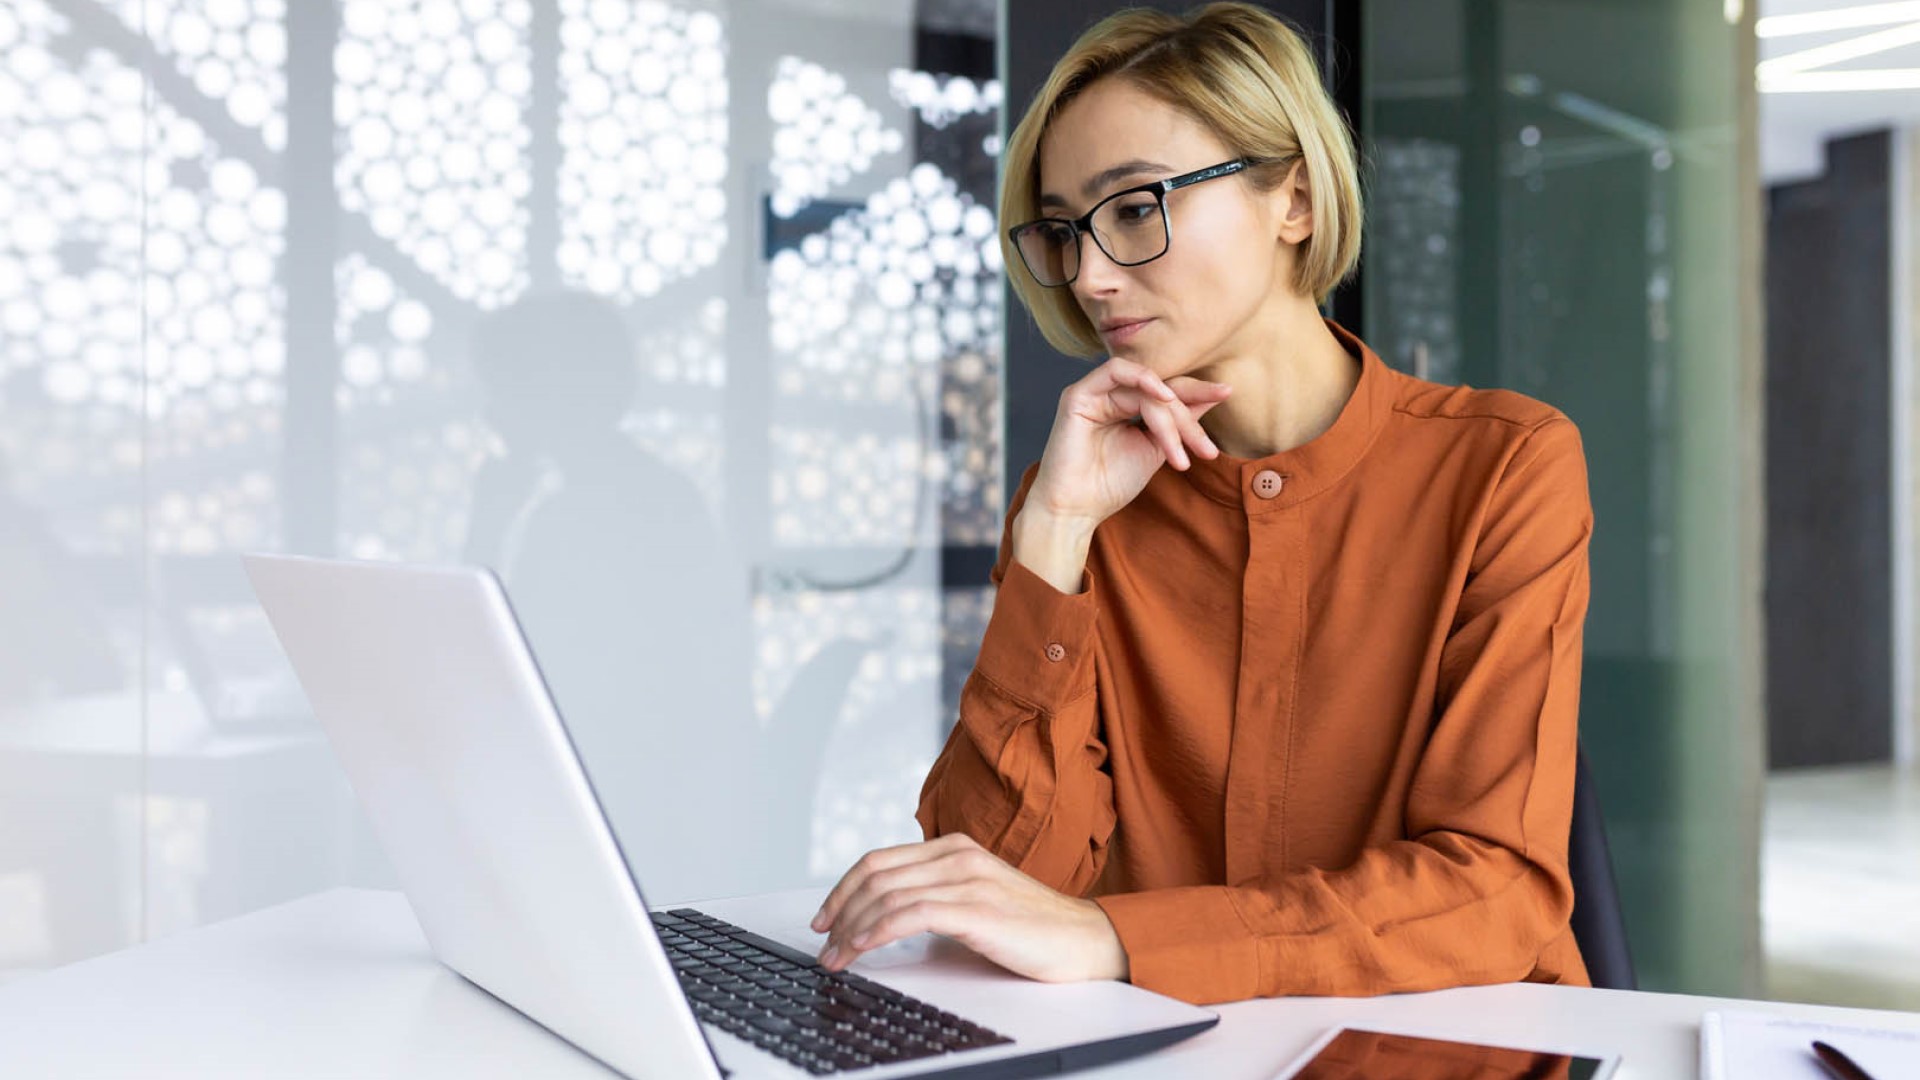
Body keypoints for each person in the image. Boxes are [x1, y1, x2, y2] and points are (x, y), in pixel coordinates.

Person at [809, 2, 1594, 1005]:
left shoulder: (1503, 468)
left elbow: (1495, 892)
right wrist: (1053, 533)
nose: (1090, 276)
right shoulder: (1082, 502)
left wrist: (1115, 939)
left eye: (1134, 208)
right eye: (1065, 232)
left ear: (1295, 201)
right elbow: (999, 881)